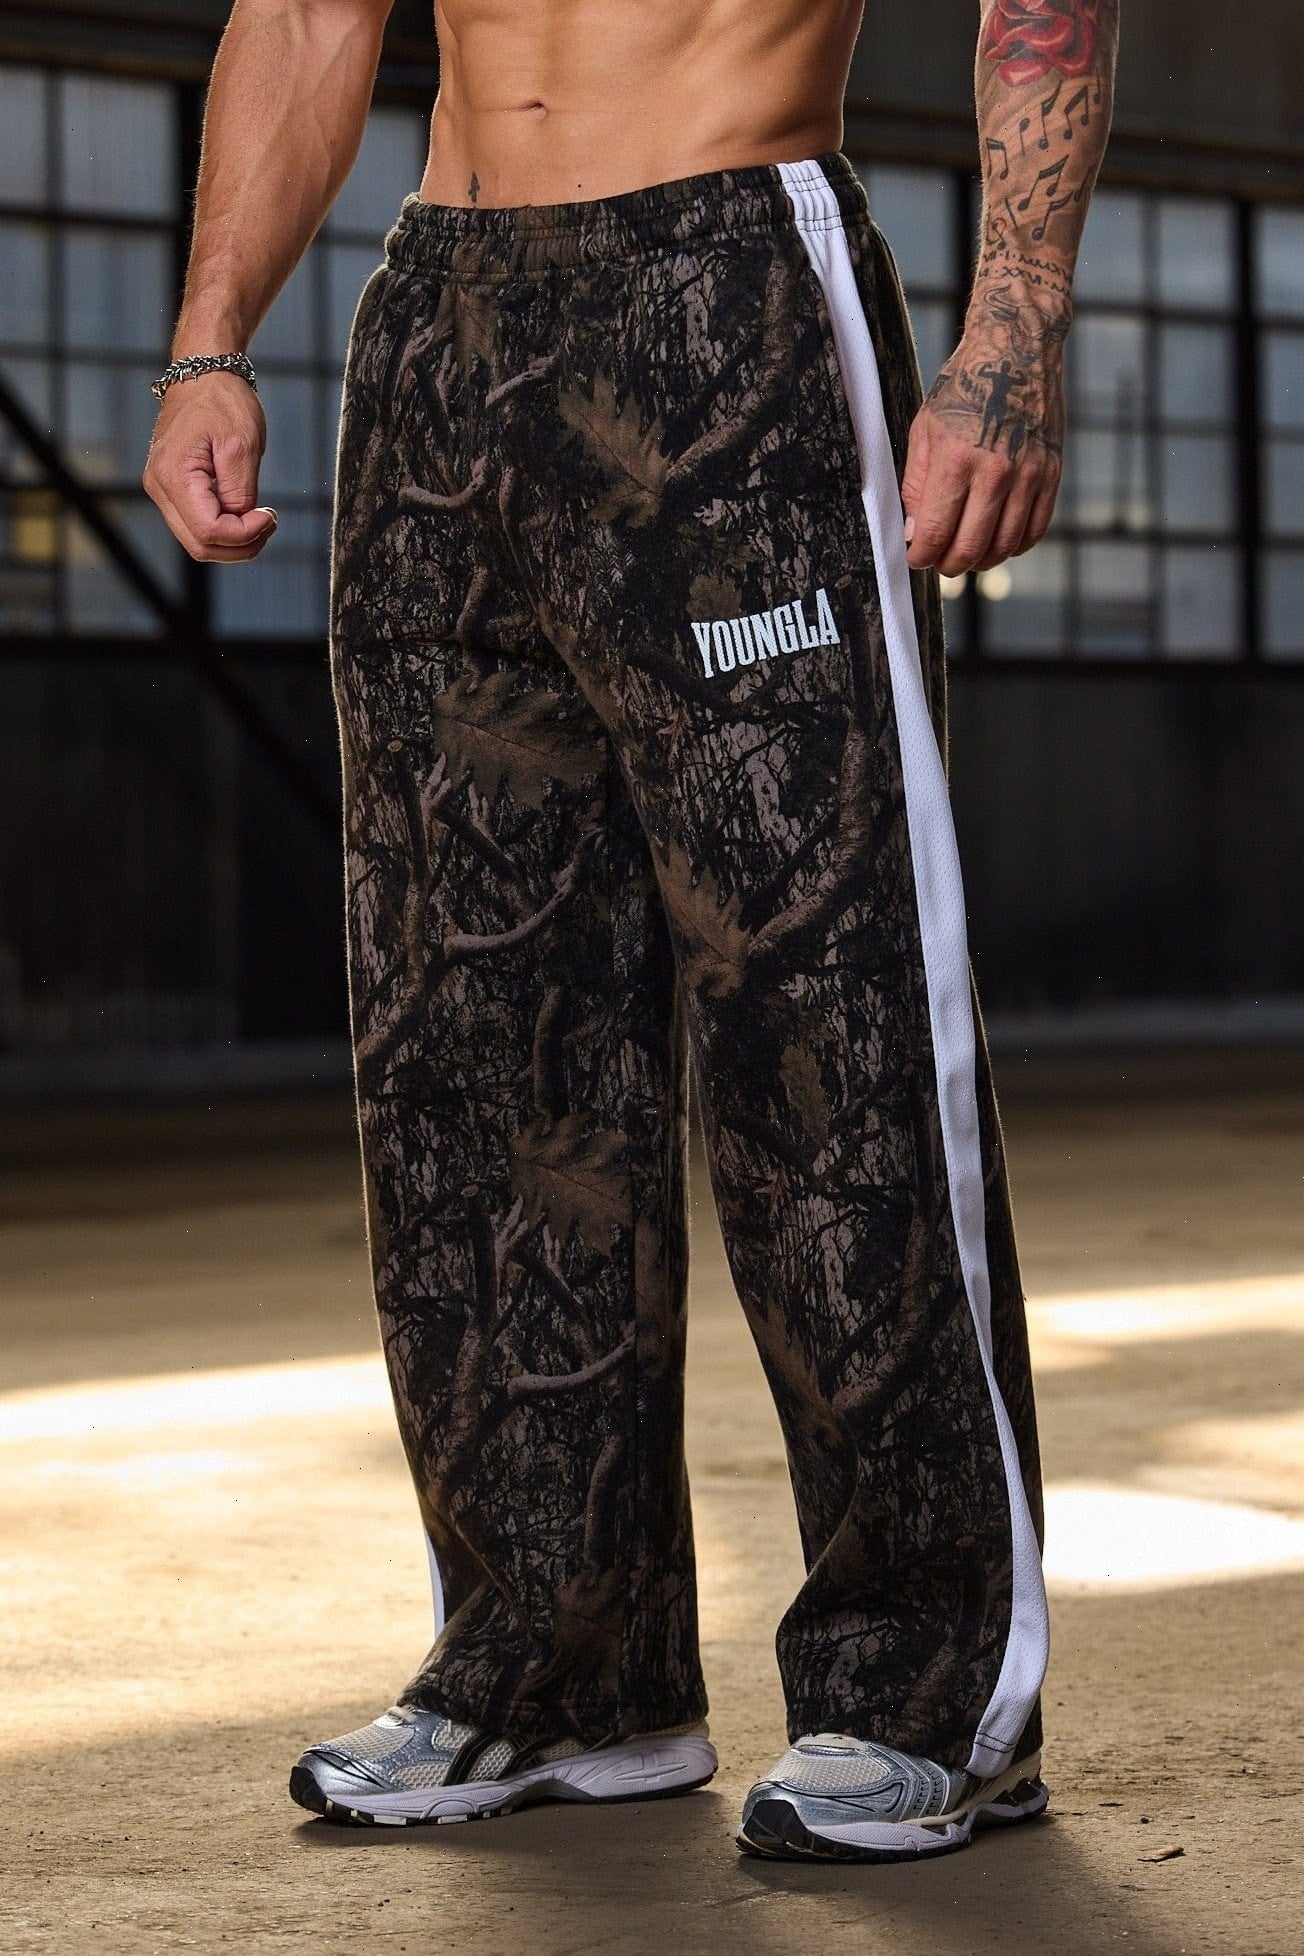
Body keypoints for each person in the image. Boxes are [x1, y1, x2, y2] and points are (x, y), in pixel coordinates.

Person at [143, 0, 1118, 1863]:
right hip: (439, 325)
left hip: (723, 293)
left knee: (820, 1024)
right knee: (473, 1049)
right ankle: (559, 1670)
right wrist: (210, 340)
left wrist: (1014, 327)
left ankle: (926, 1689)